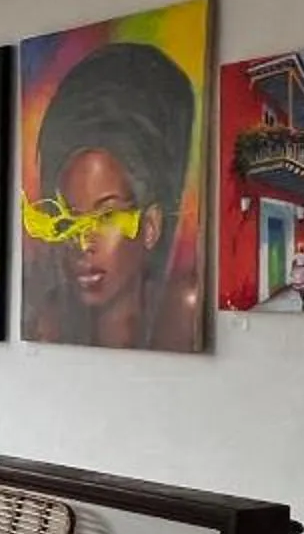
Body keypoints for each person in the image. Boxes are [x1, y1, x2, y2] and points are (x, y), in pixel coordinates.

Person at [23, 40, 200, 349]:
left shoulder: (183, 321)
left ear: (150, 226)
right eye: (70, 219)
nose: (82, 243)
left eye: (106, 215)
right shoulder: (42, 326)